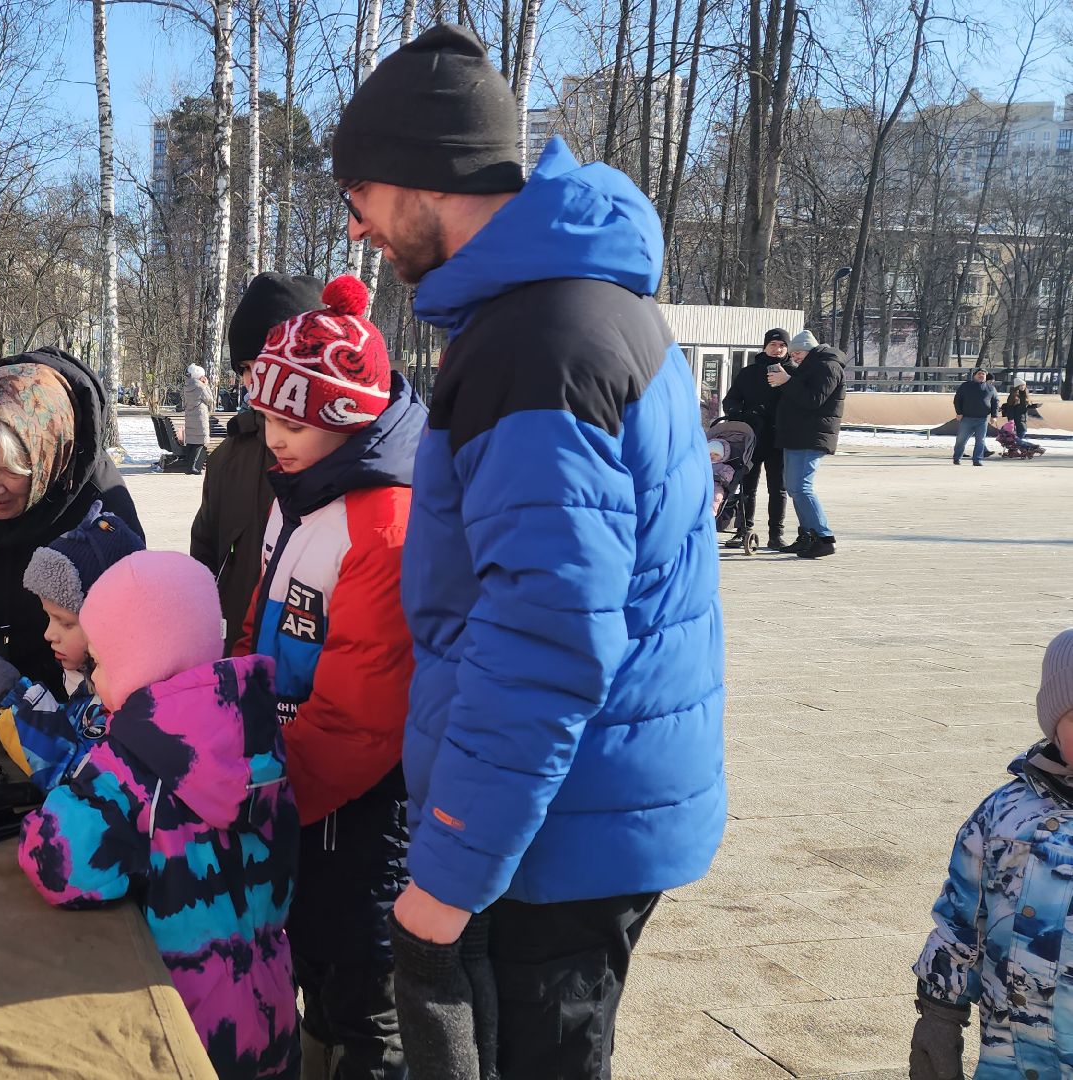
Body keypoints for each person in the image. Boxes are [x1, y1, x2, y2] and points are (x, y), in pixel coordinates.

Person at [333, 25, 725, 1079]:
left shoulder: (535, 344)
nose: (361, 228)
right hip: (582, 810)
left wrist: (449, 870)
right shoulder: (577, 304)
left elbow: (545, 638)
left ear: (423, 173)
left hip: (547, 838)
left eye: (358, 194)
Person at [17, 550, 301, 1080]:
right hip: (273, 1010)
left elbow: (55, 863)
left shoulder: (130, 762)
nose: (95, 678)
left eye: (99, 662)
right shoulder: (259, 739)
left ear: (136, 660)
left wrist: (56, 798)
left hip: (185, 1028)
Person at [240, 275, 423, 1080]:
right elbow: (262, 614)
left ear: (344, 419)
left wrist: (270, 798)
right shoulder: (302, 488)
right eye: (267, 417)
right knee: (311, 962)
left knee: (363, 996)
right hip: (298, 781)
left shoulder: (382, 522)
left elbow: (364, 717)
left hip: (359, 810)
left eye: (289, 421)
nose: (270, 437)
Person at [0, 349, 142, 697]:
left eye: (11, 470)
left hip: (50, 688)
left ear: (50, 460)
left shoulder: (100, 499)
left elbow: (126, 634)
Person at [910, 627, 1073, 1080]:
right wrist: (938, 1016)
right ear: (1053, 724)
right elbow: (960, 925)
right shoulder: (1003, 815)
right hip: (1013, 1060)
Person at [0, 504, 145, 790]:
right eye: (49, 617)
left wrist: (15, 697)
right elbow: (73, 729)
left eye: (66, 623)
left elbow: (79, 776)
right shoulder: (88, 683)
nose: (49, 634)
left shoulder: (125, 704)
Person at [191, 273, 324, 649]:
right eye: (245, 369)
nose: (254, 383)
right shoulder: (229, 457)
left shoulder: (344, 457)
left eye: (263, 366)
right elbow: (204, 554)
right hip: (238, 657)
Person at [769, 341, 847, 559]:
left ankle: (824, 538)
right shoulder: (812, 366)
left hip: (811, 436)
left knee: (802, 488)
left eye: (798, 352)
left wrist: (787, 381)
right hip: (797, 435)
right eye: (793, 353)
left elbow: (814, 400)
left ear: (811, 349)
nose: (795, 356)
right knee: (794, 488)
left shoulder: (827, 366)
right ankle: (808, 535)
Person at [721, 328, 792, 549]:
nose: (778, 349)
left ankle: (776, 534)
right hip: (752, 437)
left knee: (778, 488)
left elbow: (801, 401)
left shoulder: (794, 373)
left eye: (782, 345)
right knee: (747, 486)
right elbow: (731, 399)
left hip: (780, 437)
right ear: (764, 346)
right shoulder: (748, 373)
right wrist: (739, 414)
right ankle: (743, 530)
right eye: (773, 345)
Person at [952, 368, 1001, 466]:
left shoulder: (990, 388)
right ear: (974, 375)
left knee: (980, 440)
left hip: (982, 419)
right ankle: (957, 457)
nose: (981, 375)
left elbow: (995, 402)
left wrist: (994, 415)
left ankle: (977, 460)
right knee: (961, 440)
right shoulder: (966, 386)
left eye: (983, 374)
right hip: (966, 418)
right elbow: (957, 400)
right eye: (979, 374)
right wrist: (959, 412)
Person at [182, 364, 218, 473]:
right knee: (199, 442)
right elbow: (210, 399)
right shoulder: (200, 387)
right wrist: (206, 385)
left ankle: (188, 466)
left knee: (192, 442)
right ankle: (192, 467)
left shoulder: (188, 385)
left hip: (190, 416)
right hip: (199, 417)